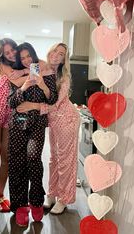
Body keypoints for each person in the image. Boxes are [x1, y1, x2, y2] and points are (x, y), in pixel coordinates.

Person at [17, 43, 80, 214]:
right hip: (52, 122)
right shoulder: (42, 69)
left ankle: (64, 199)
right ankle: (52, 194)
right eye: (55, 51)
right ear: (49, 51)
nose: (56, 55)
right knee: (54, 159)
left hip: (67, 120)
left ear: (64, 59)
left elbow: (55, 105)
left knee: (65, 161)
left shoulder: (64, 78)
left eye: (61, 54)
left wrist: (32, 106)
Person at [8, 42, 58, 227]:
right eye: (23, 58)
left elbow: (52, 98)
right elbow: (12, 103)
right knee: (18, 162)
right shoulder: (16, 76)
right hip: (19, 124)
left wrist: (42, 84)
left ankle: (36, 201)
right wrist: (24, 87)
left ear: (34, 55)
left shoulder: (47, 72)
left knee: (34, 159)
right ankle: (20, 206)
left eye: (29, 56)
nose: (27, 60)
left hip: (37, 123)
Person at [0, 38, 28, 213]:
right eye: (7, 52)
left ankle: (0, 194)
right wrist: (29, 72)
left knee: (7, 157)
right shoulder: (3, 65)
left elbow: (37, 69)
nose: (10, 54)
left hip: (11, 113)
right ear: (2, 55)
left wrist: (26, 70)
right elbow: (18, 83)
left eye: (12, 51)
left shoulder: (19, 66)